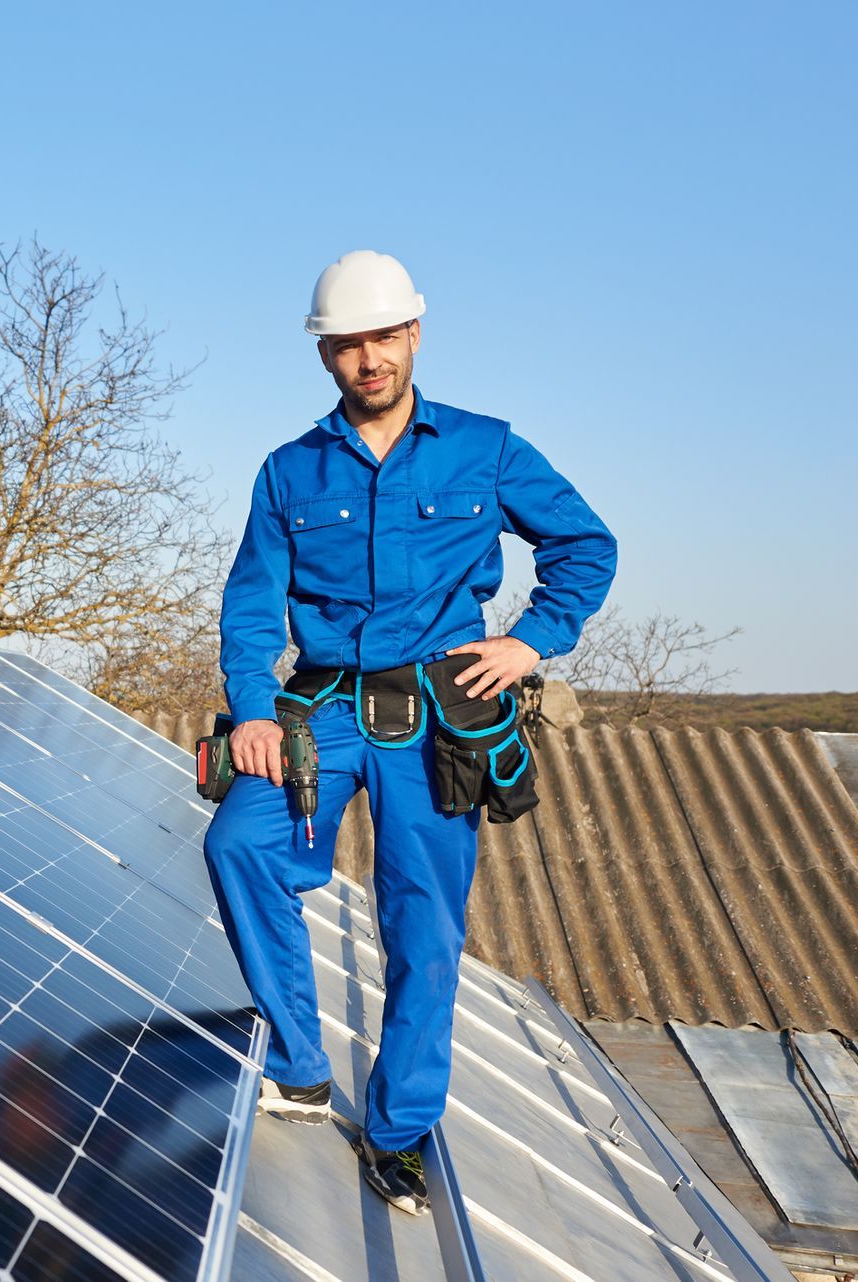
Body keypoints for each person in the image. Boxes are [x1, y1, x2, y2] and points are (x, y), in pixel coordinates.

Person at [205, 250, 617, 1214]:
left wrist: (530, 643)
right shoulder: (288, 470)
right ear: (326, 356)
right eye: (346, 345)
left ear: (414, 335)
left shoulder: (486, 448)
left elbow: (586, 545)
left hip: (439, 714)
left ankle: (398, 1132)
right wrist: (255, 708)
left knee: (423, 928)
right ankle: (302, 1066)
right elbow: (252, 601)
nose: (367, 359)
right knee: (240, 842)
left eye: (383, 337)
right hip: (323, 708)